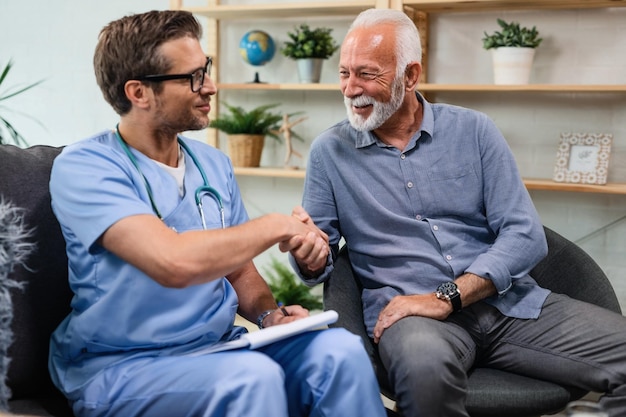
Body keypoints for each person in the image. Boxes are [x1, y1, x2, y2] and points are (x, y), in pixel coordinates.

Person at [47, 10, 387, 417]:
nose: (210, 86)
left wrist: (270, 315)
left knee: (341, 352)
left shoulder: (212, 164)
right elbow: (172, 261)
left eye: (205, 69)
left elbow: (239, 270)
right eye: (192, 77)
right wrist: (276, 225)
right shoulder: (85, 166)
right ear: (138, 92)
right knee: (250, 379)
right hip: (124, 365)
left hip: (218, 348)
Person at [292, 8, 626, 417]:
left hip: (509, 306)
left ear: (410, 76)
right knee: (424, 375)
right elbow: (318, 256)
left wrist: (449, 296)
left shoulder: (474, 131)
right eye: (344, 73)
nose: (350, 88)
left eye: (366, 74)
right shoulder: (330, 153)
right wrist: (308, 255)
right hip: (412, 316)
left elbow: (524, 233)